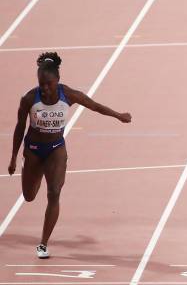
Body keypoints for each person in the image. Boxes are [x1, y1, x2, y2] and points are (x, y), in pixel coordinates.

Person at [7, 52, 132, 258]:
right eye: (41, 84)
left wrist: (118, 115)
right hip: (33, 151)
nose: (45, 89)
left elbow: (95, 106)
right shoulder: (29, 98)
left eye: (49, 84)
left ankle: (43, 244)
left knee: (54, 192)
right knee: (29, 196)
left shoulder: (68, 95)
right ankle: (34, 173)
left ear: (57, 81)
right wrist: (13, 157)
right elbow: (20, 127)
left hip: (56, 149)